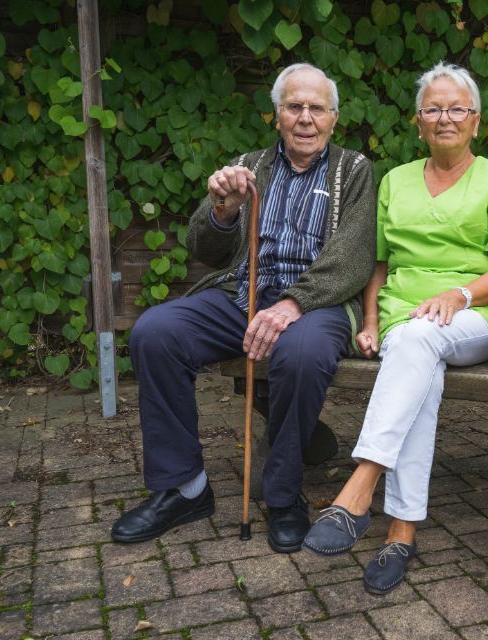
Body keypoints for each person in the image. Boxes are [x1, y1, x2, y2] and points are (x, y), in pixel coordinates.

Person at [110, 63, 377, 554]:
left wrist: (295, 302)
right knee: (155, 333)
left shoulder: (353, 170)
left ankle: (281, 497)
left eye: (316, 108)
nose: (305, 117)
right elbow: (204, 248)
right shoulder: (248, 166)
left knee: (300, 354)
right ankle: (184, 488)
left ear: (333, 118)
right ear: (276, 115)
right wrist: (223, 211)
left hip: (317, 303)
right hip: (244, 293)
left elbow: (355, 255)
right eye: (293, 106)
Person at [301, 61, 488, 595]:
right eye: (433, 109)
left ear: (475, 121)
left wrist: (458, 293)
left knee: (421, 340)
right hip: (404, 322)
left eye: (456, 109)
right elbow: (379, 266)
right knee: (417, 354)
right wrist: (372, 321)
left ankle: (362, 481)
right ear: (417, 122)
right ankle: (400, 533)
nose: (444, 117)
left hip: (472, 316)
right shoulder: (395, 181)